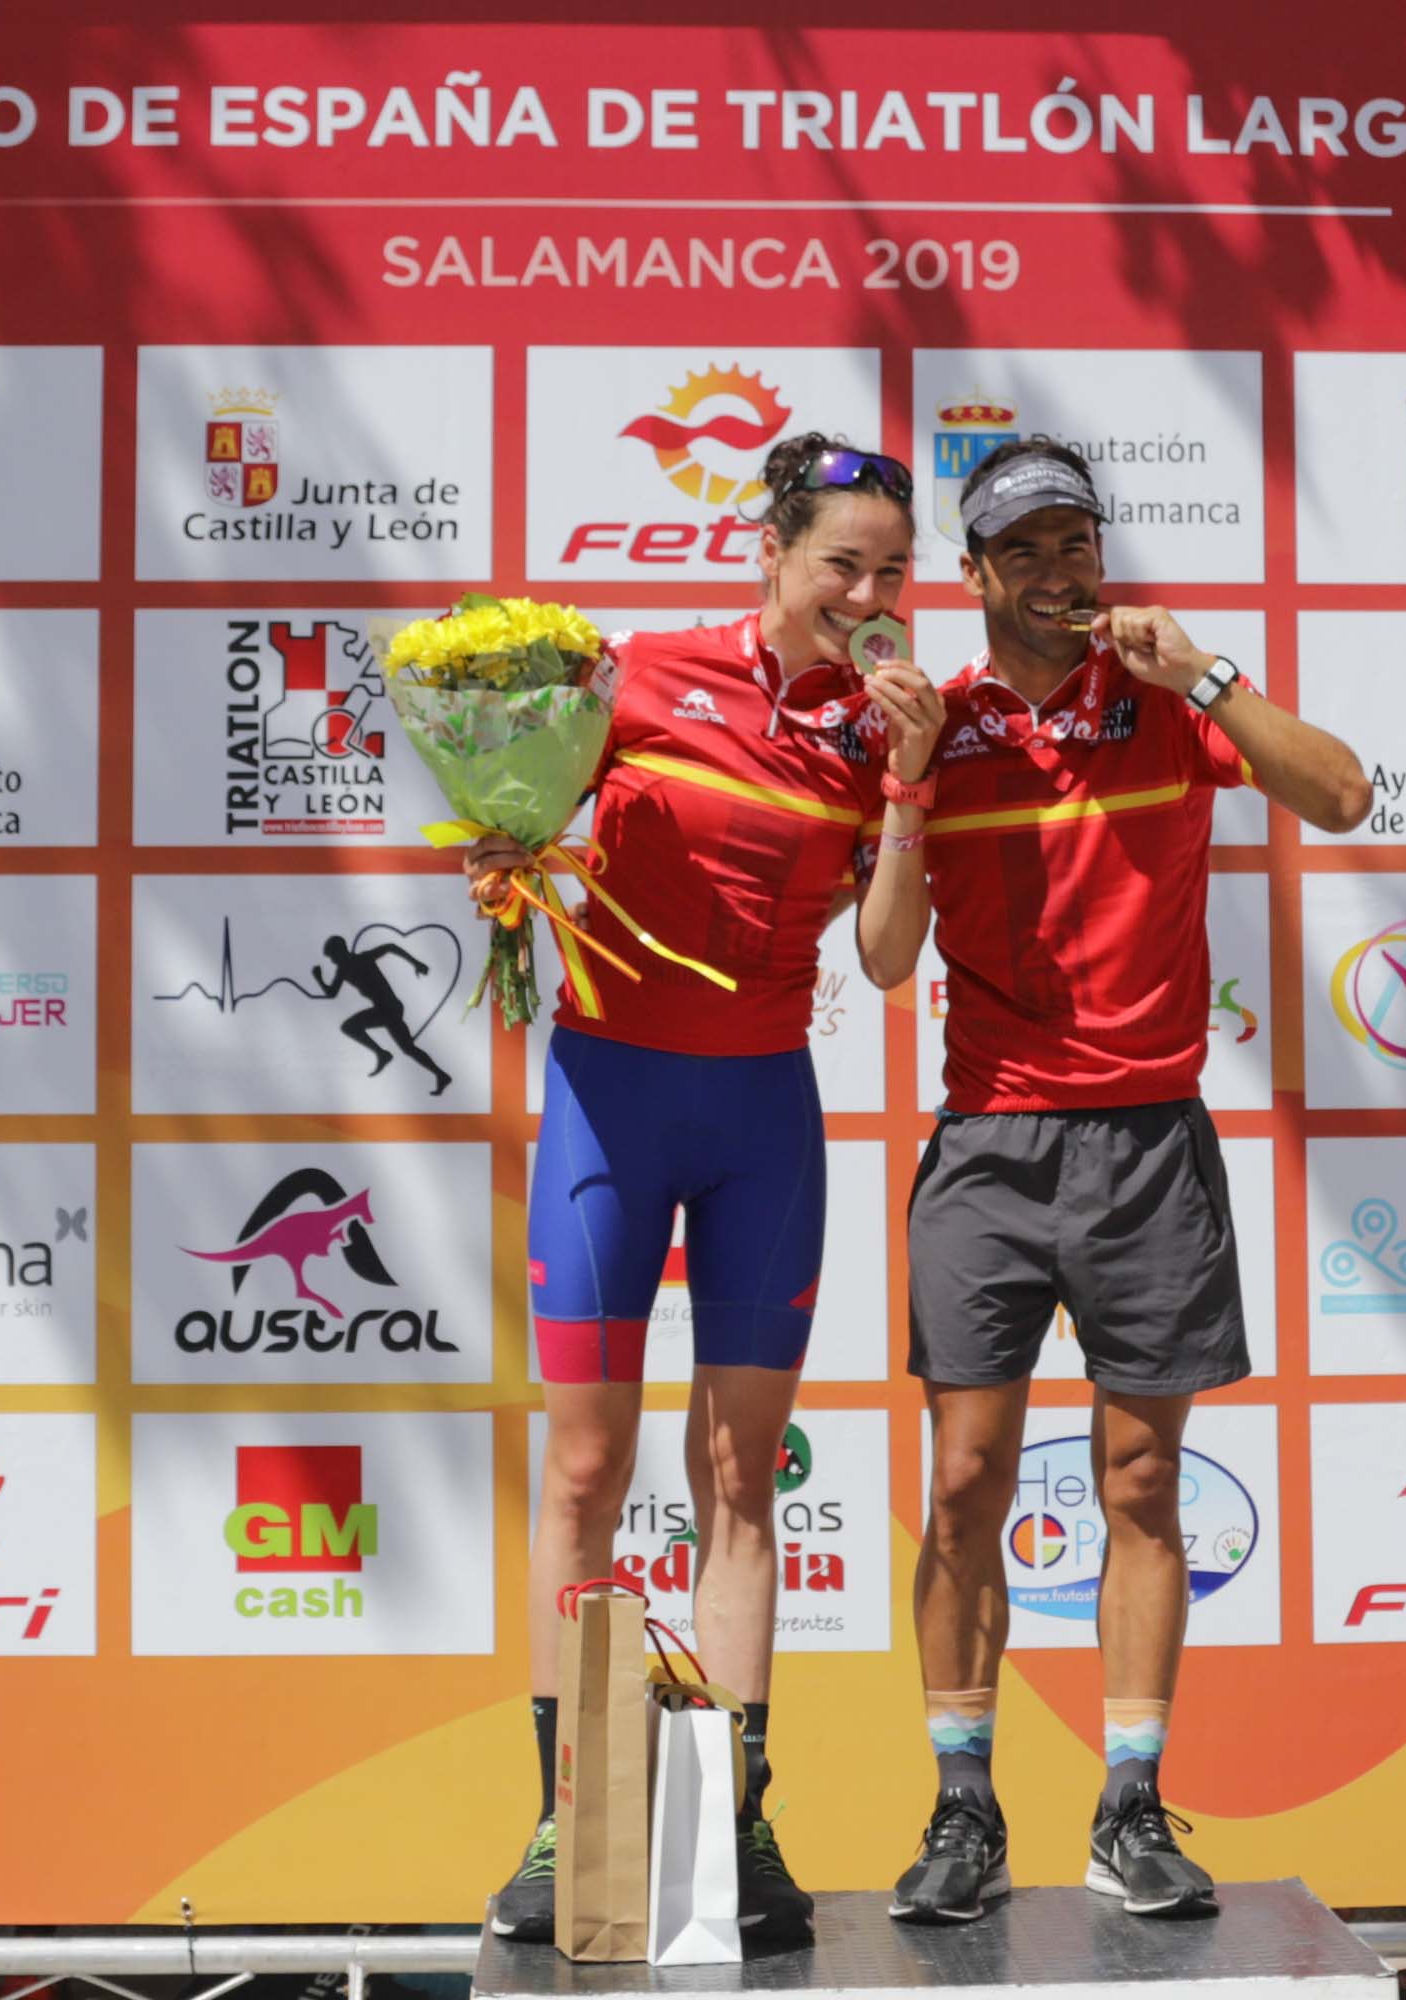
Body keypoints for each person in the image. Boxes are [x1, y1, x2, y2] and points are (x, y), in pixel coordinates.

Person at [859, 437, 1370, 1924]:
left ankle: (1131, 1806)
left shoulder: (1168, 699)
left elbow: (1339, 796)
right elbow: (885, 962)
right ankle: (963, 1808)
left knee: (1143, 1481)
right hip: (992, 1145)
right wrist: (898, 787)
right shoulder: (934, 723)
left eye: (1076, 544)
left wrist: (1207, 676)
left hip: (1150, 1137)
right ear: (977, 576)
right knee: (963, 1485)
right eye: (1024, 551)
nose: (1057, 573)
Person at [469, 435, 949, 1944]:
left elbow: (882, 961)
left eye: (890, 573)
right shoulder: (641, 675)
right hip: (611, 1097)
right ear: (772, 553)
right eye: (841, 567)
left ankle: (737, 1827)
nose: (868, 596)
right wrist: (505, 850)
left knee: (746, 1482)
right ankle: (570, 1828)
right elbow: (523, 822)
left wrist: (918, 784)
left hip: (762, 1114)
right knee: (584, 1474)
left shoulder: (887, 725)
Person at [308, 934, 452, 1096]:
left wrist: (416, 963)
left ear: (341, 951)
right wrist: (319, 979)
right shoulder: (344, 969)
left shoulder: (360, 959)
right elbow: (332, 994)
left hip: (389, 1008)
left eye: (333, 956)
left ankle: (382, 1054)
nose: (333, 961)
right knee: (408, 1049)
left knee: (351, 1027)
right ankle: (441, 1075)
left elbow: (390, 946)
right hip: (386, 1008)